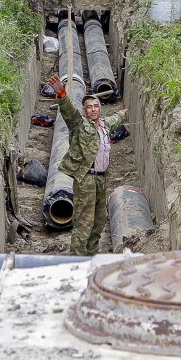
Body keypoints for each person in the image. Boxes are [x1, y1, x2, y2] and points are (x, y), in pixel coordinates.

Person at [47, 73, 127, 256]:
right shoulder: (79, 125)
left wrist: (123, 113)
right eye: (89, 107)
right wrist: (62, 95)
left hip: (102, 179)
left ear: (100, 108)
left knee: (98, 222)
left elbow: (114, 119)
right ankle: (75, 262)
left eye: (96, 106)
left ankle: (91, 258)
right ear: (84, 111)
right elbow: (69, 112)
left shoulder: (104, 126)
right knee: (84, 223)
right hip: (86, 180)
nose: (93, 110)